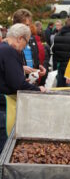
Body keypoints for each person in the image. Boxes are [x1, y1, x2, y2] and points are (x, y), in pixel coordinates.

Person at [0, 24, 45, 153]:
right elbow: (17, 84)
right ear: (20, 38)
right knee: (4, 150)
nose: (24, 47)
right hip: (4, 107)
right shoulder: (9, 51)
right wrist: (38, 89)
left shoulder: (3, 48)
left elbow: (8, 78)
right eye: (25, 43)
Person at [12, 9, 46, 79]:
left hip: (32, 82)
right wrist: (22, 68)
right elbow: (6, 65)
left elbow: (33, 59)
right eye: (26, 25)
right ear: (17, 25)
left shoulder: (32, 39)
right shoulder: (10, 41)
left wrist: (39, 67)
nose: (28, 28)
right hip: (17, 83)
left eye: (28, 25)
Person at [53, 18, 70, 87]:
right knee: (69, 85)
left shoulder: (57, 35)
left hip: (60, 63)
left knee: (60, 84)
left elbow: (53, 49)